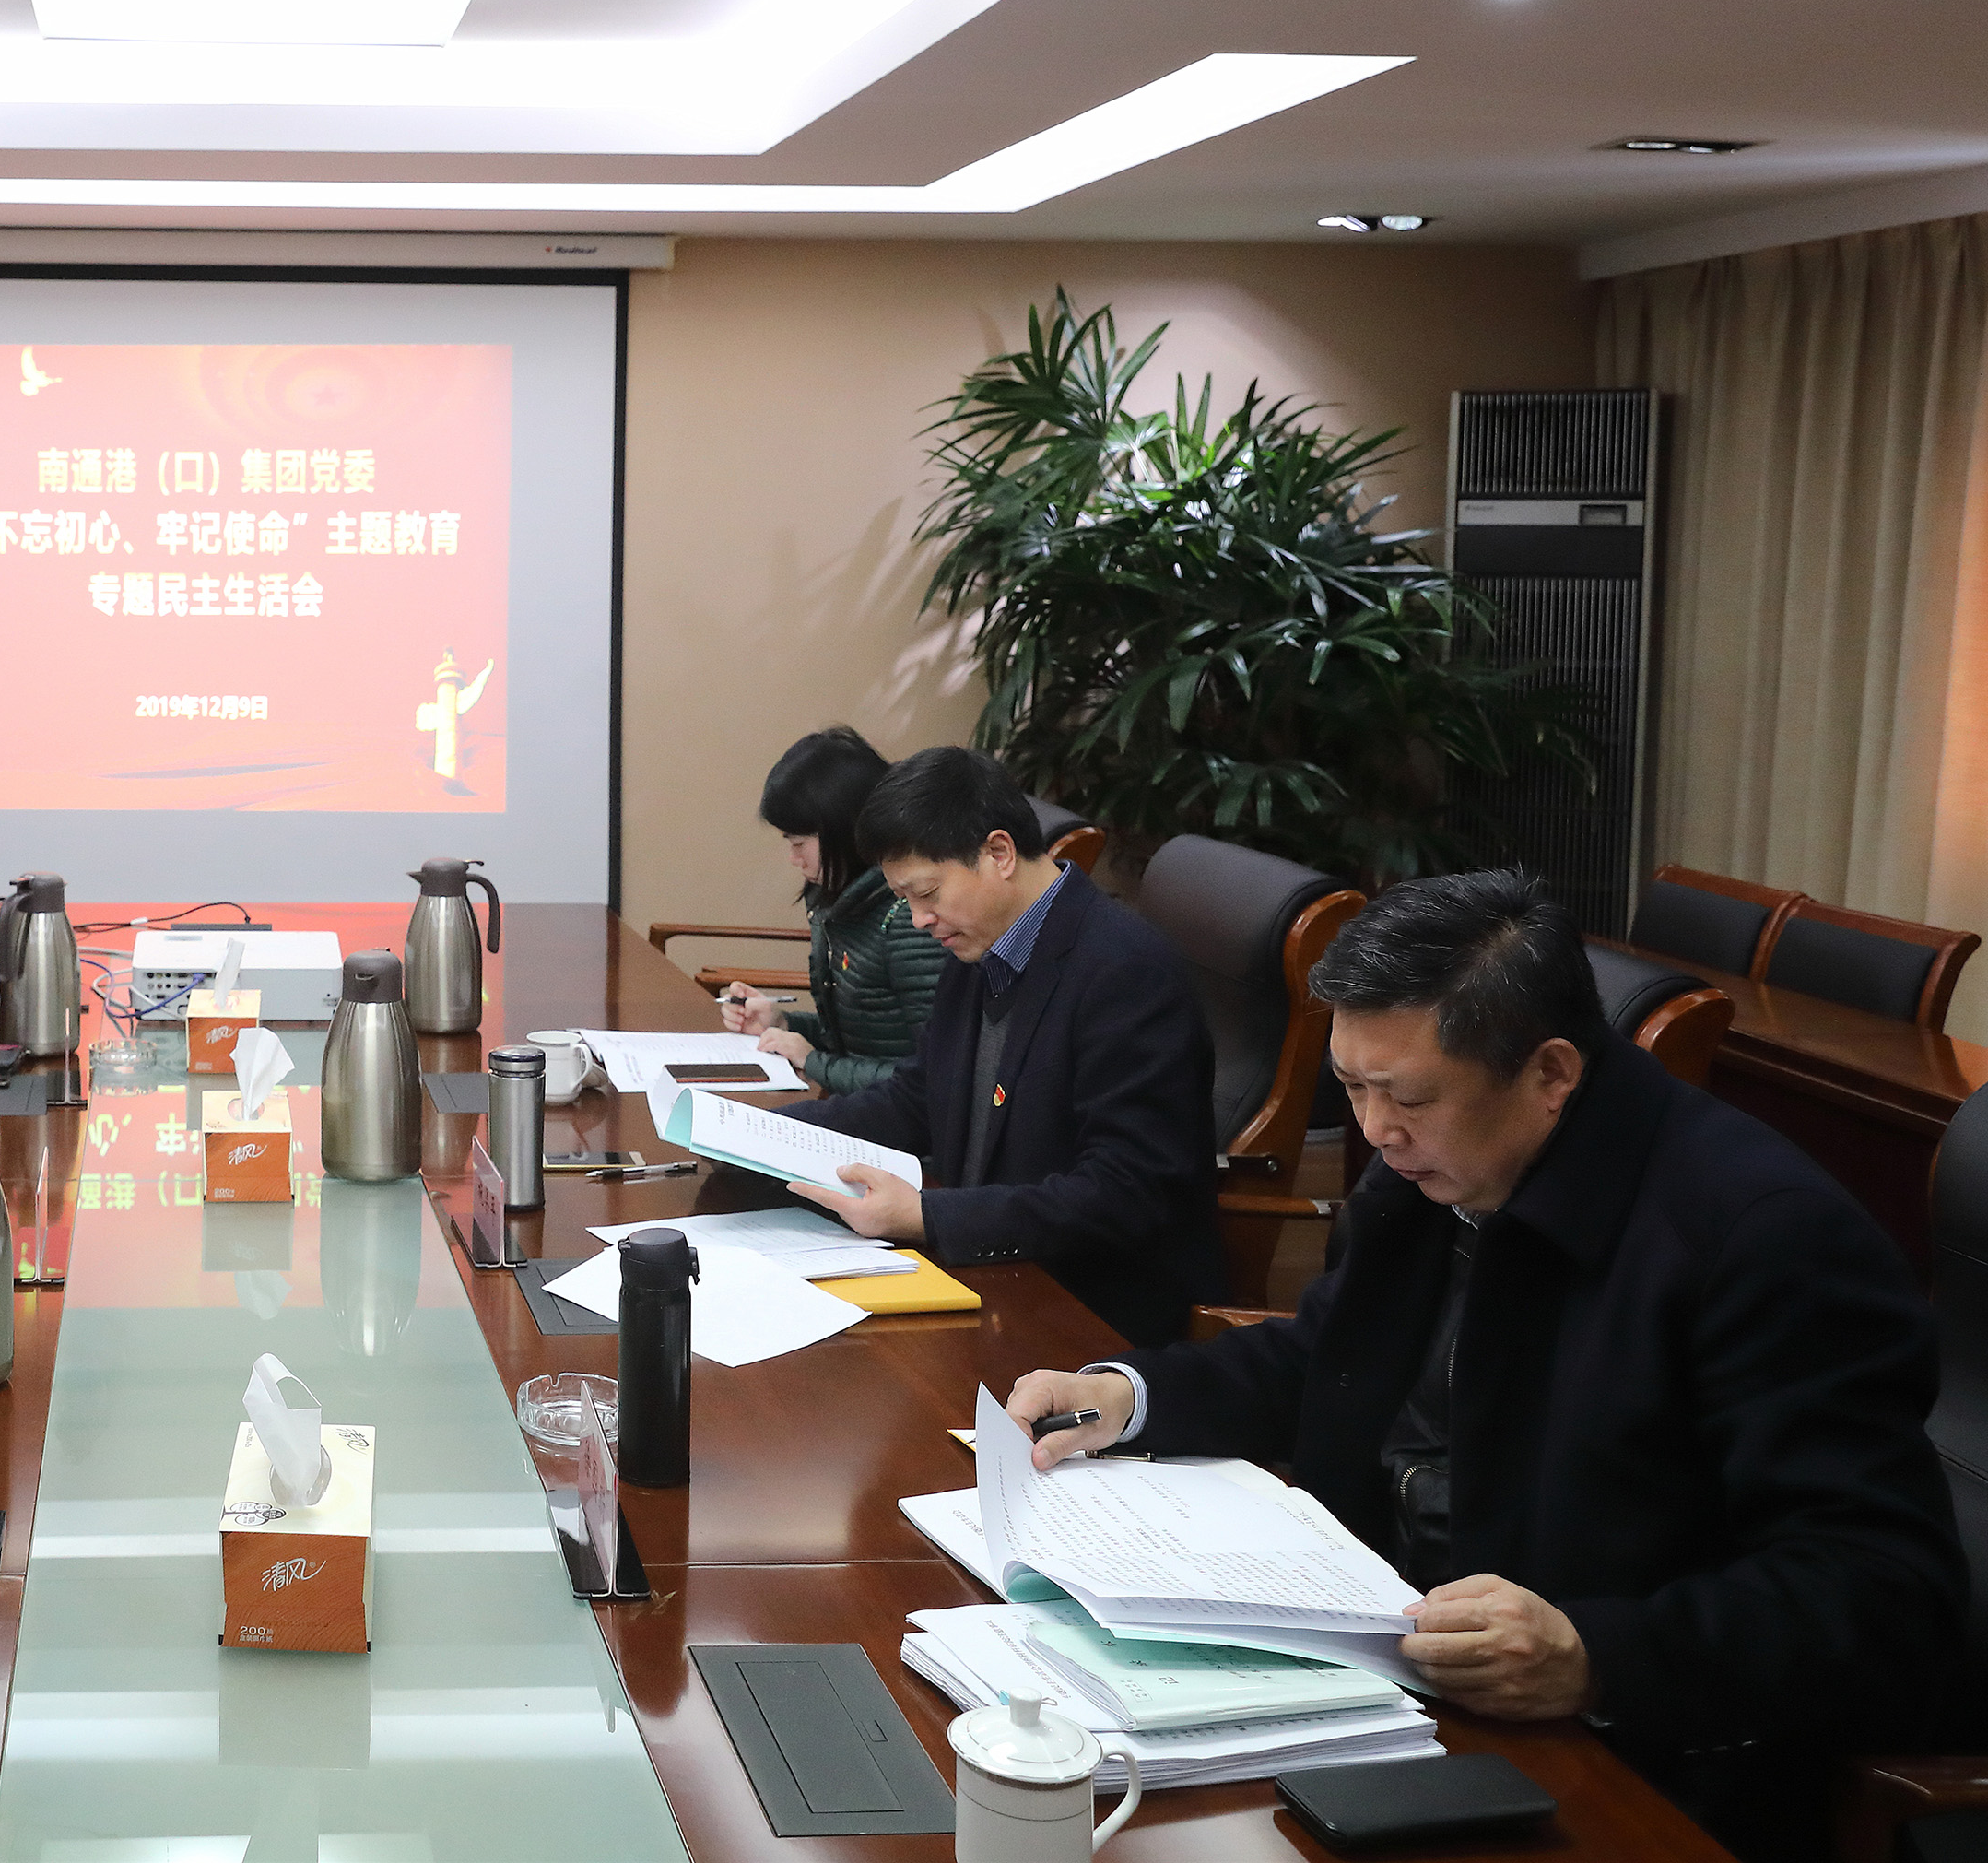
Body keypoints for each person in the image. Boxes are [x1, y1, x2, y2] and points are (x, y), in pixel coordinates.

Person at [1002, 870, 1964, 1862]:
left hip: (1628, 1763)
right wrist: (1133, 1395)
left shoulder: (1764, 1238)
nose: (1374, 1129)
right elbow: (1329, 1355)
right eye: (1352, 1086)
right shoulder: (1442, 1162)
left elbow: (1885, 1595)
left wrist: (1594, 1655)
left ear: (1551, 1074)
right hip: (1388, 1676)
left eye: (1408, 1095)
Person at [775, 745, 1220, 1347]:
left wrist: (928, 1216)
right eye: (906, 900)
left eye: (927, 893)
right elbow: (920, 1096)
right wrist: (767, 1134)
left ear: (999, 854)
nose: (919, 919)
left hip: (1089, 1313)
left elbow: (1125, 1192)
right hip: (994, 1275)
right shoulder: (982, 940)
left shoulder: (1126, 971)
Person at [715, 725, 947, 1094]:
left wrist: (813, 1061)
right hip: (857, 1108)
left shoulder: (909, 920)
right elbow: (857, 1040)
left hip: (896, 1125)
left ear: (843, 831)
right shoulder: (840, 901)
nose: (793, 858)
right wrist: (784, 1024)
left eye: (798, 843)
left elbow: (936, 1081)